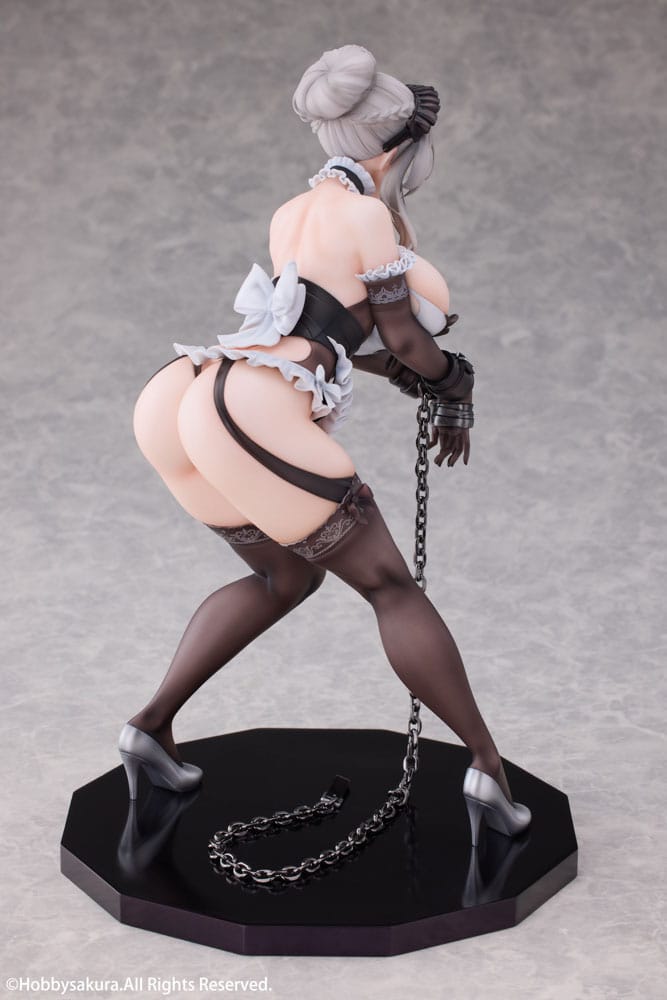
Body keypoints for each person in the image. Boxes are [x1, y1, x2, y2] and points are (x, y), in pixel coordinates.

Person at [118, 44, 531, 847]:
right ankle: (486, 769)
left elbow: (329, 332)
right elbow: (403, 337)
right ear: (398, 147)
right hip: (251, 409)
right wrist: (453, 384)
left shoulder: (291, 214)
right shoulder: (368, 218)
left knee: (284, 575)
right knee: (391, 589)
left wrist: (408, 375)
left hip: (185, 394)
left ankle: (150, 729)